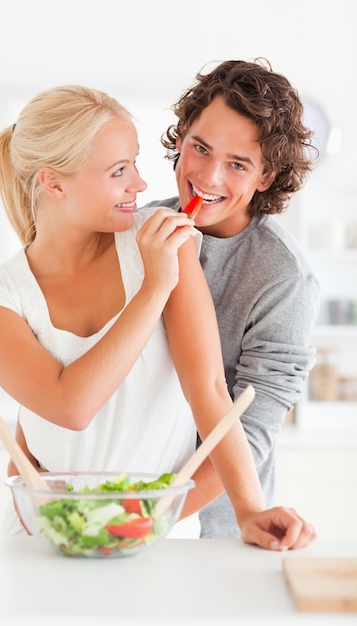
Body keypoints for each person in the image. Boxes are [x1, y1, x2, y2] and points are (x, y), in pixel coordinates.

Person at [0, 83, 315, 550]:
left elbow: (215, 395)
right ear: (54, 182)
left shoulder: (179, 246)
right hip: (44, 531)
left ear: (266, 175)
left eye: (238, 163)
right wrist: (25, 454)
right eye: (120, 169)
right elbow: (62, 402)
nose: (141, 185)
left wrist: (245, 508)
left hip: (163, 532)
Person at [144, 58, 320, 539]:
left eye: (238, 164)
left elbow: (251, 429)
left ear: (267, 175)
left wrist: (143, 519)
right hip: (117, 497)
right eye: (200, 148)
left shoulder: (282, 277)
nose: (209, 177)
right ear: (180, 138)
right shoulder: (132, 230)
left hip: (212, 532)